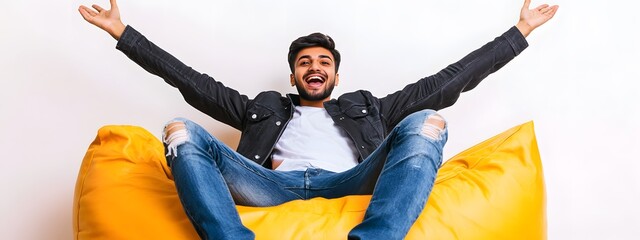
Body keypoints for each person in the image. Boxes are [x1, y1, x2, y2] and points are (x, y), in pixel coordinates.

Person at [78, 0, 558, 239]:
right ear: (293, 75)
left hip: (350, 180)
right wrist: (123, 32)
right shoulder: (260, 108)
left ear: (335, 74)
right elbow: (188, 79)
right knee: (180, 131)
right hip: (270, 185)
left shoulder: (369, 107)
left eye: (323, 62)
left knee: (429, 118)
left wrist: (519, 32)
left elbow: (449, 80)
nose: (315, 67)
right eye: (306, 62)